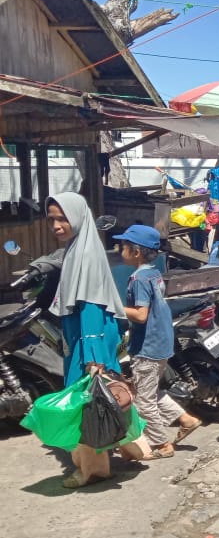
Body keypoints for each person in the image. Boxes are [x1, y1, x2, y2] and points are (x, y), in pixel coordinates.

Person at [44, 193, 130, 488]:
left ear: (78, 217)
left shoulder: (85, 255)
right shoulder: (76, 248)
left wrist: (92, 355)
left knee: (87, 406)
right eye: (52, 219)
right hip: (83, 339)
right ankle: (135, 448)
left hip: (88, 342)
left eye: (62, 218)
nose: (56, 225)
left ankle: (94, 470)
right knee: (108, 398)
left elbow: (91, 306)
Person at [114, 224, 202, 460]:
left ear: (136, 252)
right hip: (160, 344)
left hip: (147, 347)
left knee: (144, 401)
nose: (118, 249)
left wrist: (115, 307)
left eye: (122, 246)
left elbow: (141, 315)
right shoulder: (153, 273)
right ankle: (186, 419)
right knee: (152, 391)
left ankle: (162, 444)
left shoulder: (139, 278)